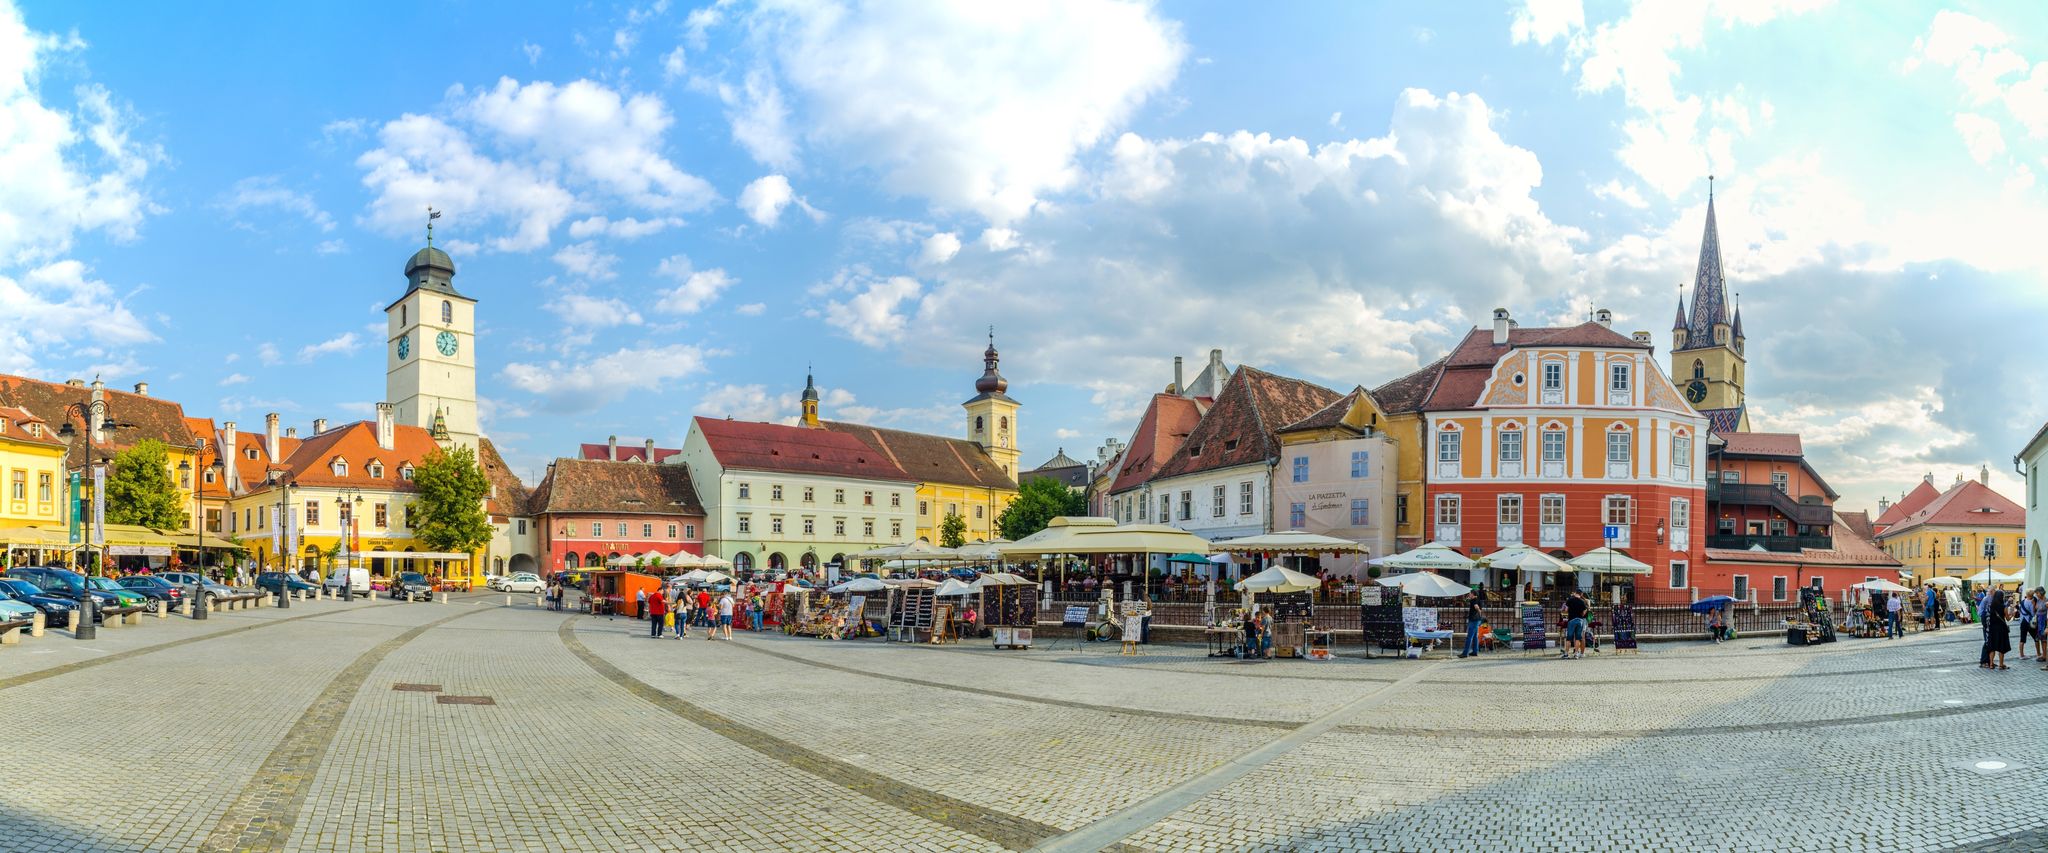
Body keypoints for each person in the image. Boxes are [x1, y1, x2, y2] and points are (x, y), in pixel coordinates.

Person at [1982, 588, 2011, 670]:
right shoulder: (2004, 607)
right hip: (2001, 629)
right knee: (2001, 647)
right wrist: (2012, 614)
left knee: (1992, 647)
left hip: (1992, 628)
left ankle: (1991, 664)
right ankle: (2001, 665)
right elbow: (2008, 619)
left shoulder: (1990, 606)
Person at [1563, 591, 1589, 659]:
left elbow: (1566, 609)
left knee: (1569, 638)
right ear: (1581, 594)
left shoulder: (1570, 600)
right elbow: (1585, 610)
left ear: (1575, 593)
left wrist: (1569, 612)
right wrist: (1581, 615)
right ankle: (1576, 654)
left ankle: (1566, 654)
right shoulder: (1582, 601)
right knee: (1578, 638)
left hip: (1571, 620)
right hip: (1580, 620)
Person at [1459, 593, 1483, 659]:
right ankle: (1475, 652)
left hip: (1473, 620)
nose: (1469, 595)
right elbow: (1467, 601)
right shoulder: (1478, 600)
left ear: (1473, 594)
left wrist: (1479, 611)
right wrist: (1480, 614)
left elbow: (1476, 607)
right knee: (1475, 637)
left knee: (1469, 637)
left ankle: (1465, 653)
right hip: (1477, 620)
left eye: (1470, 594)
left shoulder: (1473, 600)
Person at [2018, 589, 2037, 658]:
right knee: (2036, 638)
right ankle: (2038, 653)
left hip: (2022, 622)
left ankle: (2021, 655)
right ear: (2032, 595)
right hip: (2029, 622)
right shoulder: (2032, 602)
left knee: (2022, 639)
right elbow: (2033, 613)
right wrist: (2034, 606)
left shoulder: (2023, 601)